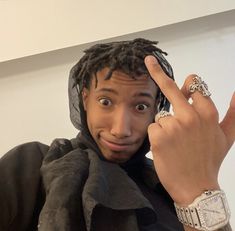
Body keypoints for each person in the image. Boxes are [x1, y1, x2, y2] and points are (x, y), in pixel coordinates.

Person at [0, 38, 234, 231]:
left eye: (140, 106)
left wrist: (199, 193)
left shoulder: (168, 182)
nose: (120, 129)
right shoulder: (32, 164)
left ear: (156, 109)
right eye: (105, 101)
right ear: (84, 99)